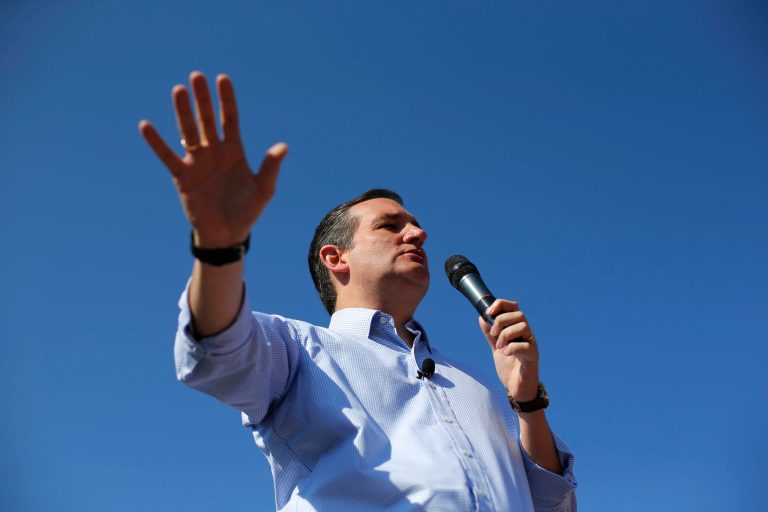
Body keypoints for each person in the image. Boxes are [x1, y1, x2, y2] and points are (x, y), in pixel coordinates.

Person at [140, 71, 577, 511]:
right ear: (336, 258)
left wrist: (527, 400)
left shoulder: (480, 384)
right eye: (390, 225)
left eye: (416, 226)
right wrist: (219, 247)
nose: (419, 234)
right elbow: (216, 352)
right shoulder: (298, 350)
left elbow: (553, 504)